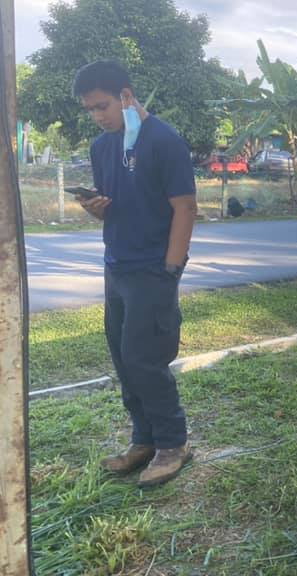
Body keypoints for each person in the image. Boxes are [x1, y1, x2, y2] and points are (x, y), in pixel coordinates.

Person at [75, 60, 197, 487]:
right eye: (90, 109)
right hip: (116, 266)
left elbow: (185, 208)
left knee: (146, 360)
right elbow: (110, 206)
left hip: (152, 269)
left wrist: (171, 268)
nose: (97, 116)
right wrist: (93, 208)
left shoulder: (164, 141)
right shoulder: (102, 147)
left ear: (126, 96)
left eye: (102, 106)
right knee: (124, 359)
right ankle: (144, 440)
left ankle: (173, 443)